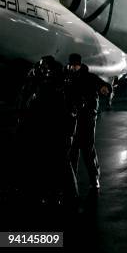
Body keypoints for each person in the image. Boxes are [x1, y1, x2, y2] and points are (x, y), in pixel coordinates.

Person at [17, 56, 77, 204]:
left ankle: (62, 194)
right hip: (47, 129)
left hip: (53, 130)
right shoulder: (48, 85)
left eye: (45, 68)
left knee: (57, 162)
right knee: (52, 162)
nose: (43, 70)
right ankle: (58, 194)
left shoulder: (52, 86)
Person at [64, 53, 110, 192]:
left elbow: (101, 85)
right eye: (71, 65)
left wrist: (105, 89)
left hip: (86, 119)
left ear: (79, 64)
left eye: (75, 65)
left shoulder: (89, 77)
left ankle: (94, 178)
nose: (73, 68)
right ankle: (71, 180)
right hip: (73, 118)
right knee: (73, 150)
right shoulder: (68, 78)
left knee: (87, 148)